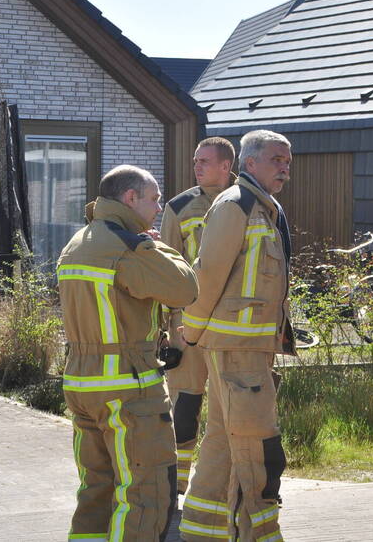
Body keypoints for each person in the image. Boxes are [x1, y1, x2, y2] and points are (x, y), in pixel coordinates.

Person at [57, 164, 199, 542]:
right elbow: (185, 288)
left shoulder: (78, 242)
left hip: (82, 384)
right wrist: (156, 245)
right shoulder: (128, 247)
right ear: (130, 198)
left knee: (97, 490)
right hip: (127, 388)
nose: (159, 208)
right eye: (154, 199)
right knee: (145, 493)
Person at [178, 130, 296, 542]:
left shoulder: (263, 207)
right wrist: (192, 333)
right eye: (277, 159)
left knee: (223, 444)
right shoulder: (236, 205)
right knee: (256, 448)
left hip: (249, 350)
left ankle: (202, 531)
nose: (285, 168)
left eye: (288, 161)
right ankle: (259, 534)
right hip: (236, 351)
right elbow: (207, 275)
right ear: (250, 163)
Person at [159, 137, 236, 495]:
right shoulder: (179, 207)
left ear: (226, 165)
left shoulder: (249, 203)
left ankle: (229, 479)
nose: (196, 167)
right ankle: (177, 481)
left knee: (233, 406)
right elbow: (167, 268)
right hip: (187, 323)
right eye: (195, 161)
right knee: (185, 401)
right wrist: (166, 325)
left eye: (204, 161)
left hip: (234, 324)